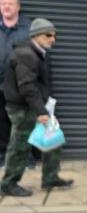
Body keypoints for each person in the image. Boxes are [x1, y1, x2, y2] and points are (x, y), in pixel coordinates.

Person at [1, 18, 73, 197]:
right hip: (23, 108)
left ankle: (50, 178)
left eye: (55, 35)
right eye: (48, 35)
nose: (53, 39)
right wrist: (41, 111)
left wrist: (44, 106)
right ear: (36, 35)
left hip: (36, 104)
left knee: (53, 139)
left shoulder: (38, 51)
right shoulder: (26, 54)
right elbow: (27, 86)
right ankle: (9, 183)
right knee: (20, 145)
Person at [1, 0, 32, 164]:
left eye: (10, 3)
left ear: (18, 7)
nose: (6, 6)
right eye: (3, 3)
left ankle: (26, 158)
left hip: (21, 85)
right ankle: (3, 155)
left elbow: (40, 55)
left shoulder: (28, 28)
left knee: (23, 123)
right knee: (2, 123)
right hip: (0, 85)